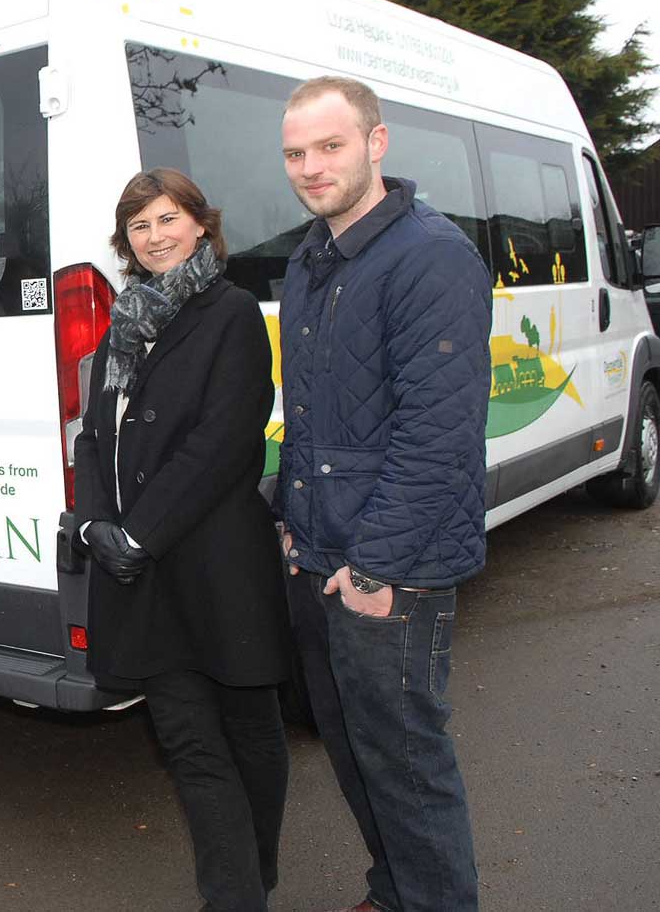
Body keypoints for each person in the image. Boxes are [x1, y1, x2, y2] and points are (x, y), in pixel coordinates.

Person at [273, 76, 490, 912]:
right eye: (295, 152)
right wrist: (295, 528)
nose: (311, 166)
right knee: (356, 753)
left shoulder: (430, 256)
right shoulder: (309, 257)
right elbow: (313, 413)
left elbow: (437, 439)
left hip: (390, 571)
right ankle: (395, 890)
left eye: (330, 146)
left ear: (376, 142)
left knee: (407, 767)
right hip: (320, 556)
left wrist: (374, 565)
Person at [73, 171, 292, 912]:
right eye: (139, 226)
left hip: (217, 566)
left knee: (251, 733)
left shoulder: (230, 314)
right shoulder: (120, 322)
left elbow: (226, 441)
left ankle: (252, 873)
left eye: (168, 218)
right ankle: (234, 897)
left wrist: (139, 530)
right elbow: (94, 435)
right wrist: (97, 522)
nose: (155, 235)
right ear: (125, 241)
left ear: (201, 223)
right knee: (190, 745)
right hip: (142, 578)